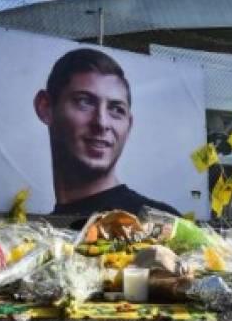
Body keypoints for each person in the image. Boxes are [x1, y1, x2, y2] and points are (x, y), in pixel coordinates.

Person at [34, 48, 180, 218]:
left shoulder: (158, 224)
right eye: (84, 101)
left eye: (117, 110)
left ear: (129, 124)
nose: (102, 123)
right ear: (46, 107)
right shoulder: (35, 236)